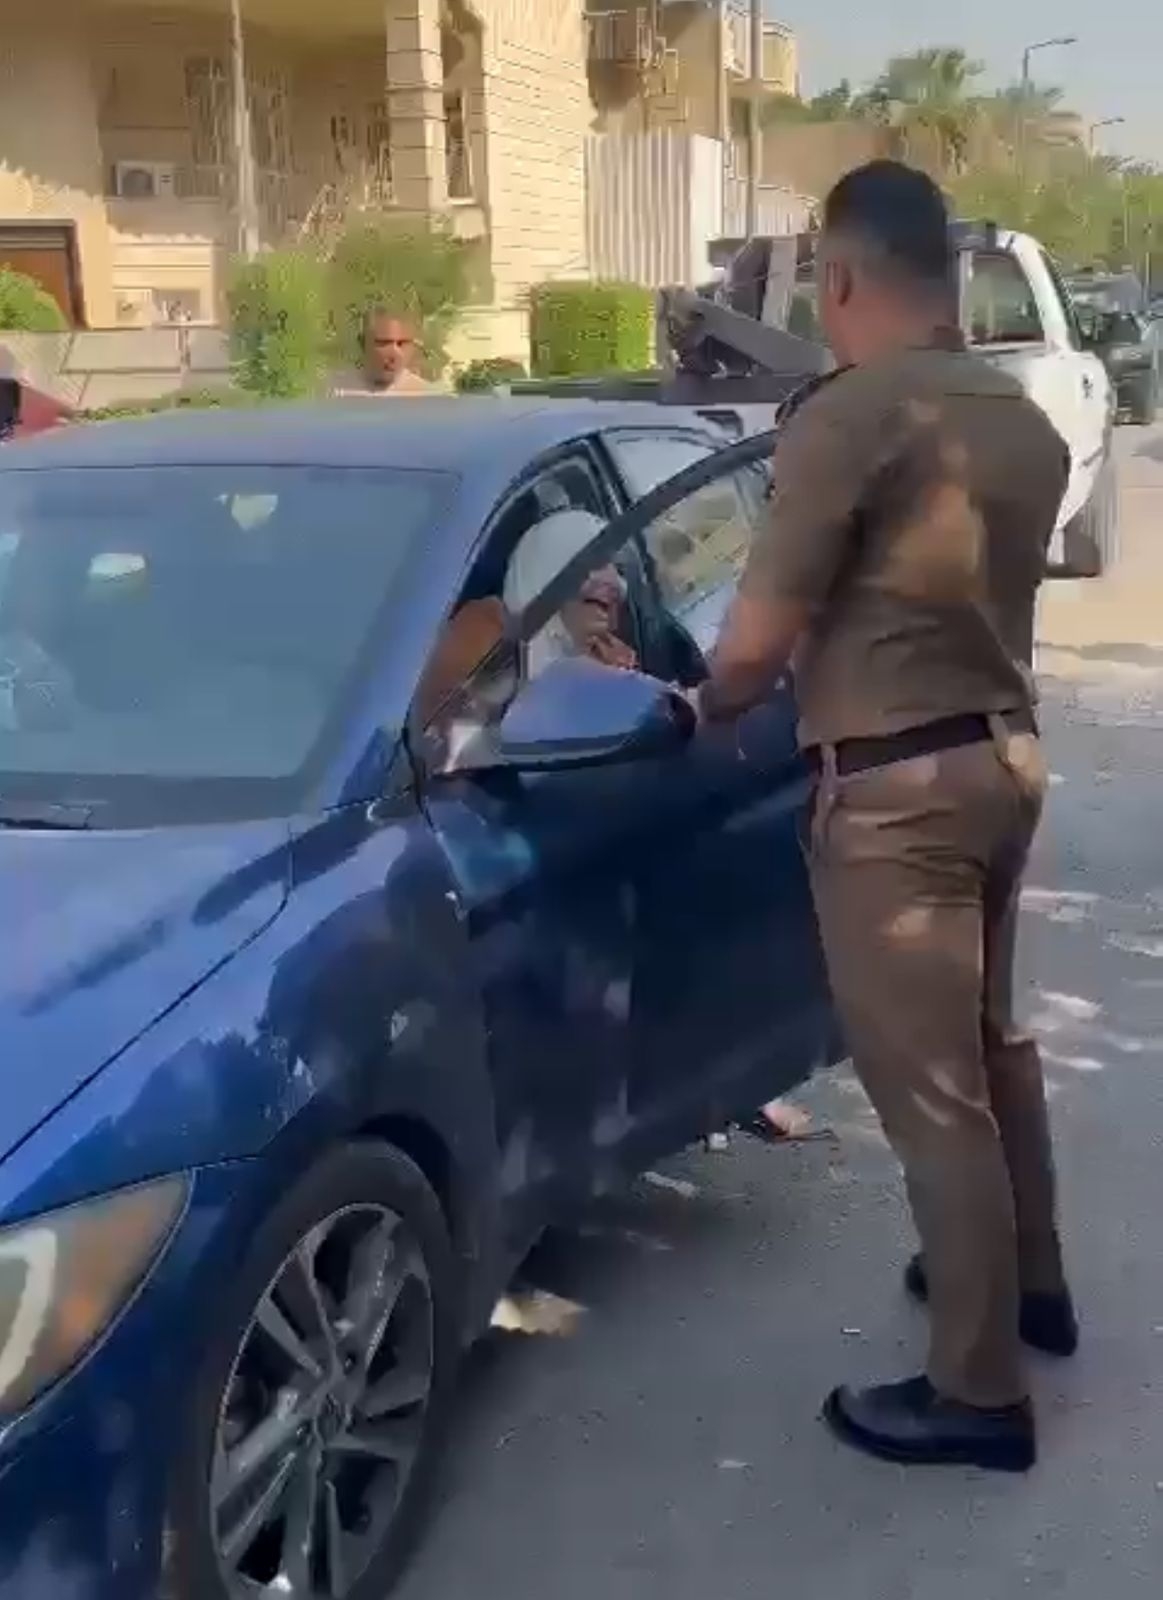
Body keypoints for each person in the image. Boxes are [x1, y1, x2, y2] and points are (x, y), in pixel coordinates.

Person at [693, 160, 1077, 1472]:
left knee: (931, 1095)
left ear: (841, 274)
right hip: (999, 762)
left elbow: (752, 646)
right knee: (989, 1045)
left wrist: (697, 704)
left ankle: (976, 1394)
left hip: (895, 797)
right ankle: (1029, 1285)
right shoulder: (1018, 415)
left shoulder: (850, 416)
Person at [332, 307, 438, 397]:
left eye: (401, 343)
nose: (394, 354)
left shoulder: (425, 395)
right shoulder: (334, 389)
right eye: (383, 343)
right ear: (362, 343)